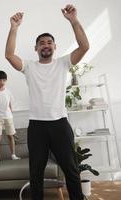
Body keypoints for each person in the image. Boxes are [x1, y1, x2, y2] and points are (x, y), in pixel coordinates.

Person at [5, 4, 89, 200]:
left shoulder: (63, 63)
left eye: (49, 42)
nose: (46, 45)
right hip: (37, 126)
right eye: (42, 43)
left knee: (71, 170)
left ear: (54, 46)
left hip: (60, 123)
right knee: (36, 174)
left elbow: (84, 46)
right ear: (36, 48)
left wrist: (74, 21)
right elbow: (9, 55)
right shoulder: (29, 67)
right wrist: (14, 28)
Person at [0, 70, 20, 164]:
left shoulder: (8, 91)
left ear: (5, 80)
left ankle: (13, 155)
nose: (2, 82)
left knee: (11, 136)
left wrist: (11, 115)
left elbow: (10, 105)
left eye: (3, 80)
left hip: (8, 117)